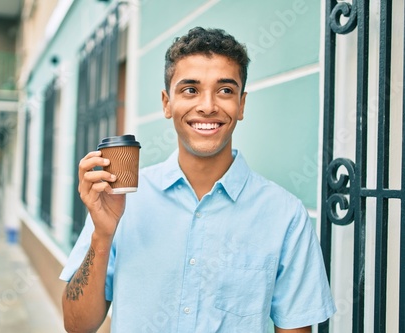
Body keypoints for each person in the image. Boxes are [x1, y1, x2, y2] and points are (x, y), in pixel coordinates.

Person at [60, 27, 336, 333]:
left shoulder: (286, 216)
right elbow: (77, 326)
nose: (207, 106)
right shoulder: (121, 201)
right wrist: (102, 232)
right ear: (167, 103)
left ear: (241, 105)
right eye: (190, 89)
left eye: (225, 90)